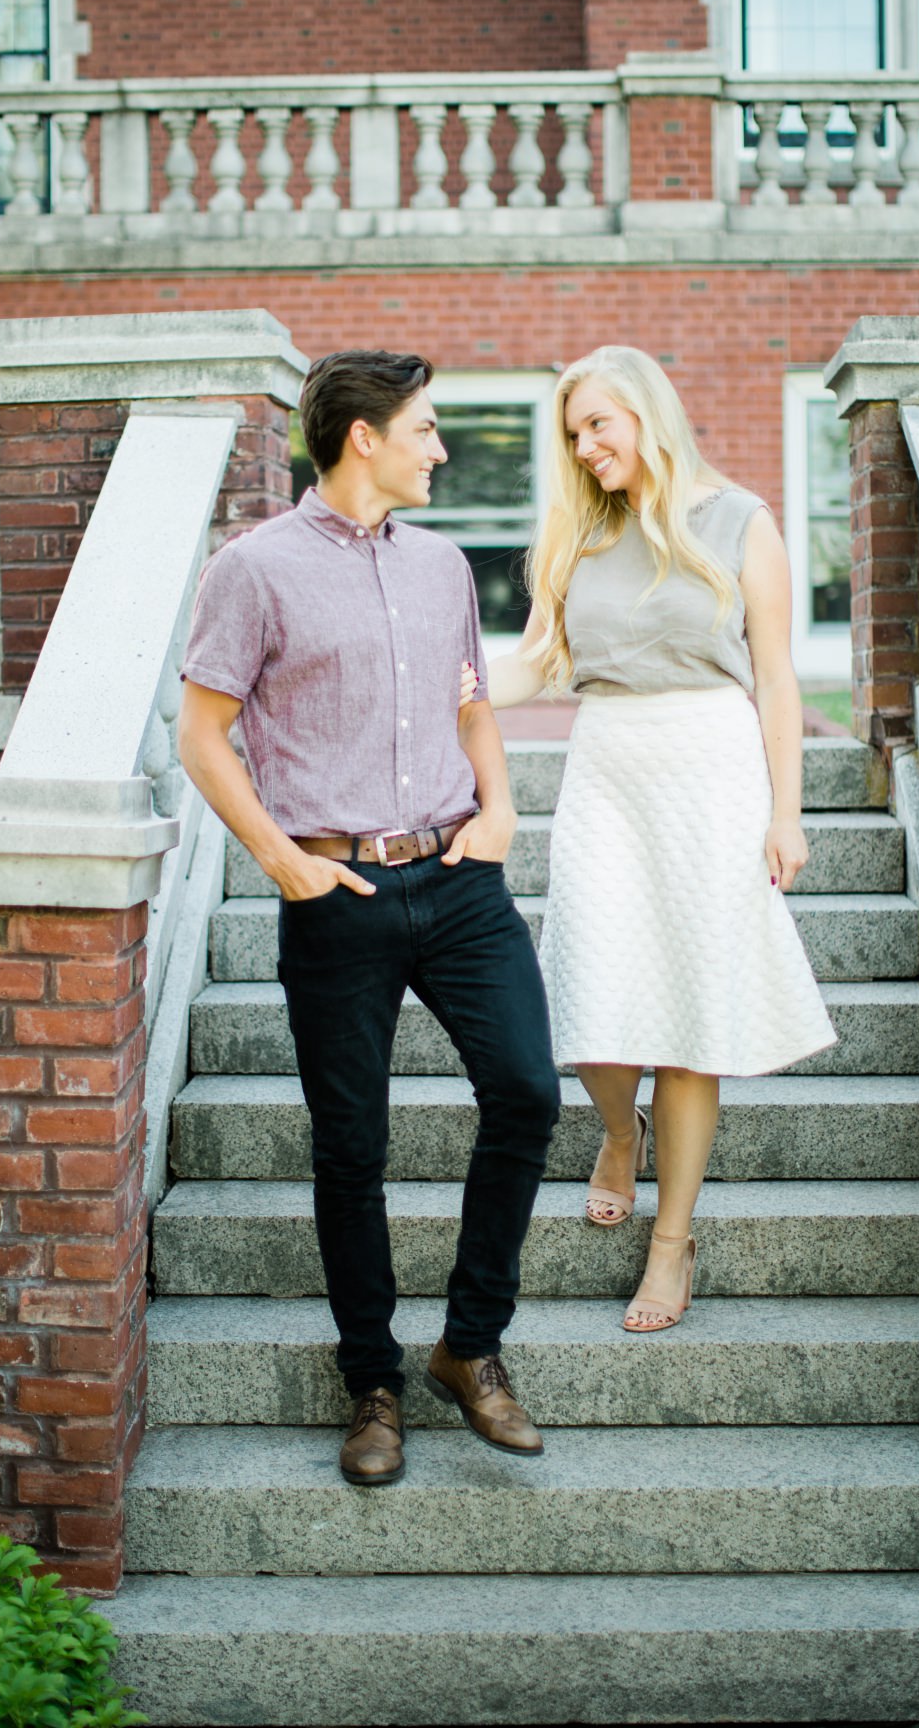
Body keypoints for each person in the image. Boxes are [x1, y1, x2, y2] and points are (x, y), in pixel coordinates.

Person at [177, 349, 561, 1487]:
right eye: (429, 429)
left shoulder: (444, 566)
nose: (441, 448)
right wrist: (279, 857)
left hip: (458, 877)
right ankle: (372, 1381)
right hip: (335, 893)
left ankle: (469, 1345)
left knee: (529, 1091)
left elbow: (472, 704)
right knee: (353, 1149)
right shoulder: (253, 570)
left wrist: (500, 809)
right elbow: (204, 734)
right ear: (365, 437)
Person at [475, 345, 834, 1333]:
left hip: (711, 767)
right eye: (572, 433)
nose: (584, 448)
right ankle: (617, 1131)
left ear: (646, 414)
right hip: (609, 769)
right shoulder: (574, 531)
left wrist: (786, 810)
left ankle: (671, 1240)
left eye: (598, 425)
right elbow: (538, 661)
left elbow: (777, 679)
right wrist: (446, 681)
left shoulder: (741, 520)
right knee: (588, 991)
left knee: (688, 1013)